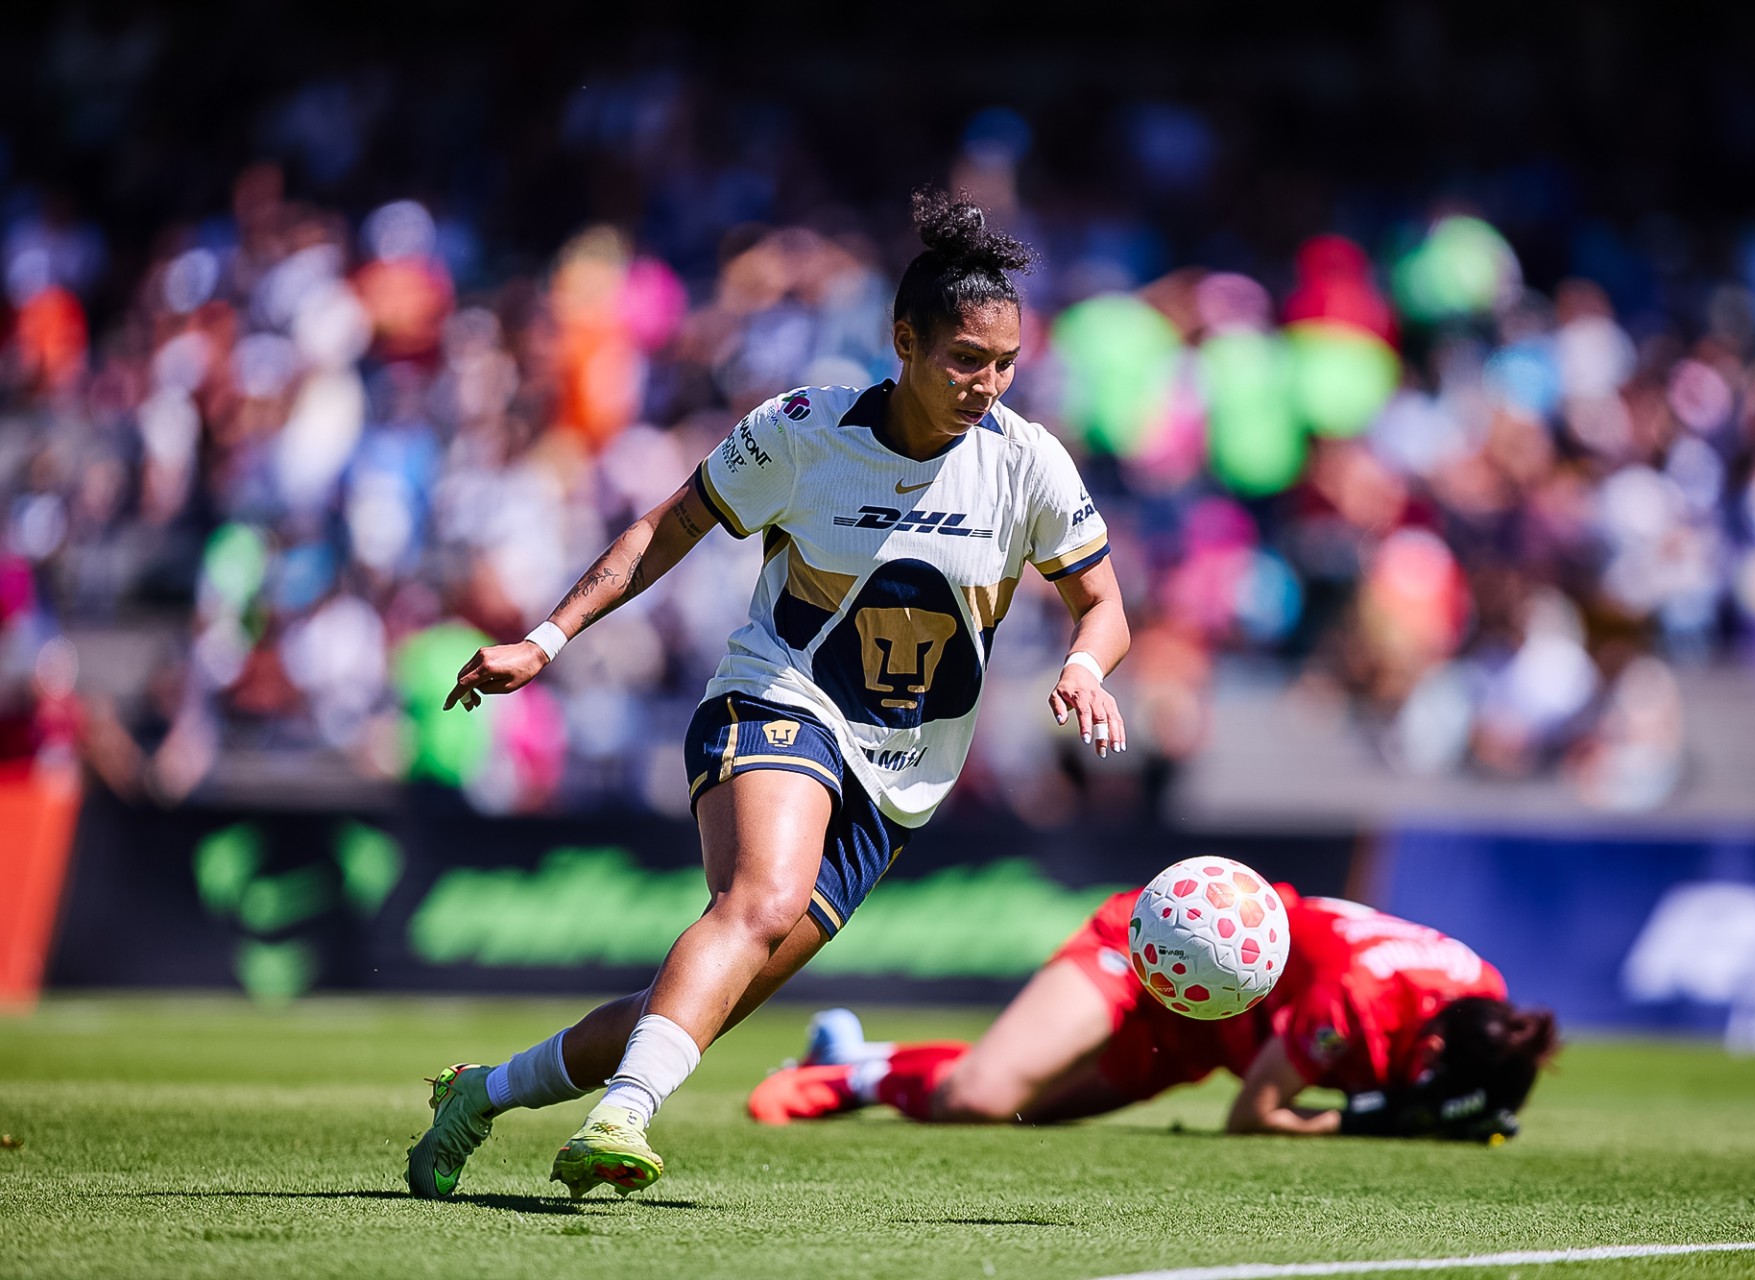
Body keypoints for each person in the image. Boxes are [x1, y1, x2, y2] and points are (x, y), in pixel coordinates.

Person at [405, 190, 1131, 1200]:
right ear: (904, 341)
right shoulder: (802, 432)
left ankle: (480, 1093)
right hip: (776, 699)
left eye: (1006, 362)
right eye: (966, 359)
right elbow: (665, 528)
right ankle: (623, 1115)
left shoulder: (1029, 461)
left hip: (901, 776)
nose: (988, 384)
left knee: (694, 1004)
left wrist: (1086, 664)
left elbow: (1105, 606)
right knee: (762, 900)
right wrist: (546, 638)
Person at [748, 886, 1558, 1143]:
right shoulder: (1356, 1001)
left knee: (1019, 1109)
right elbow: (1254, 1114)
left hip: (1204, 1035)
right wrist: (1369, 1121)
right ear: (1432, 1049)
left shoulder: (1482, 993)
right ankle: (848, 1077)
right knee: (980, 1098)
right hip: (1164, 955)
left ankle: (861, 1052)